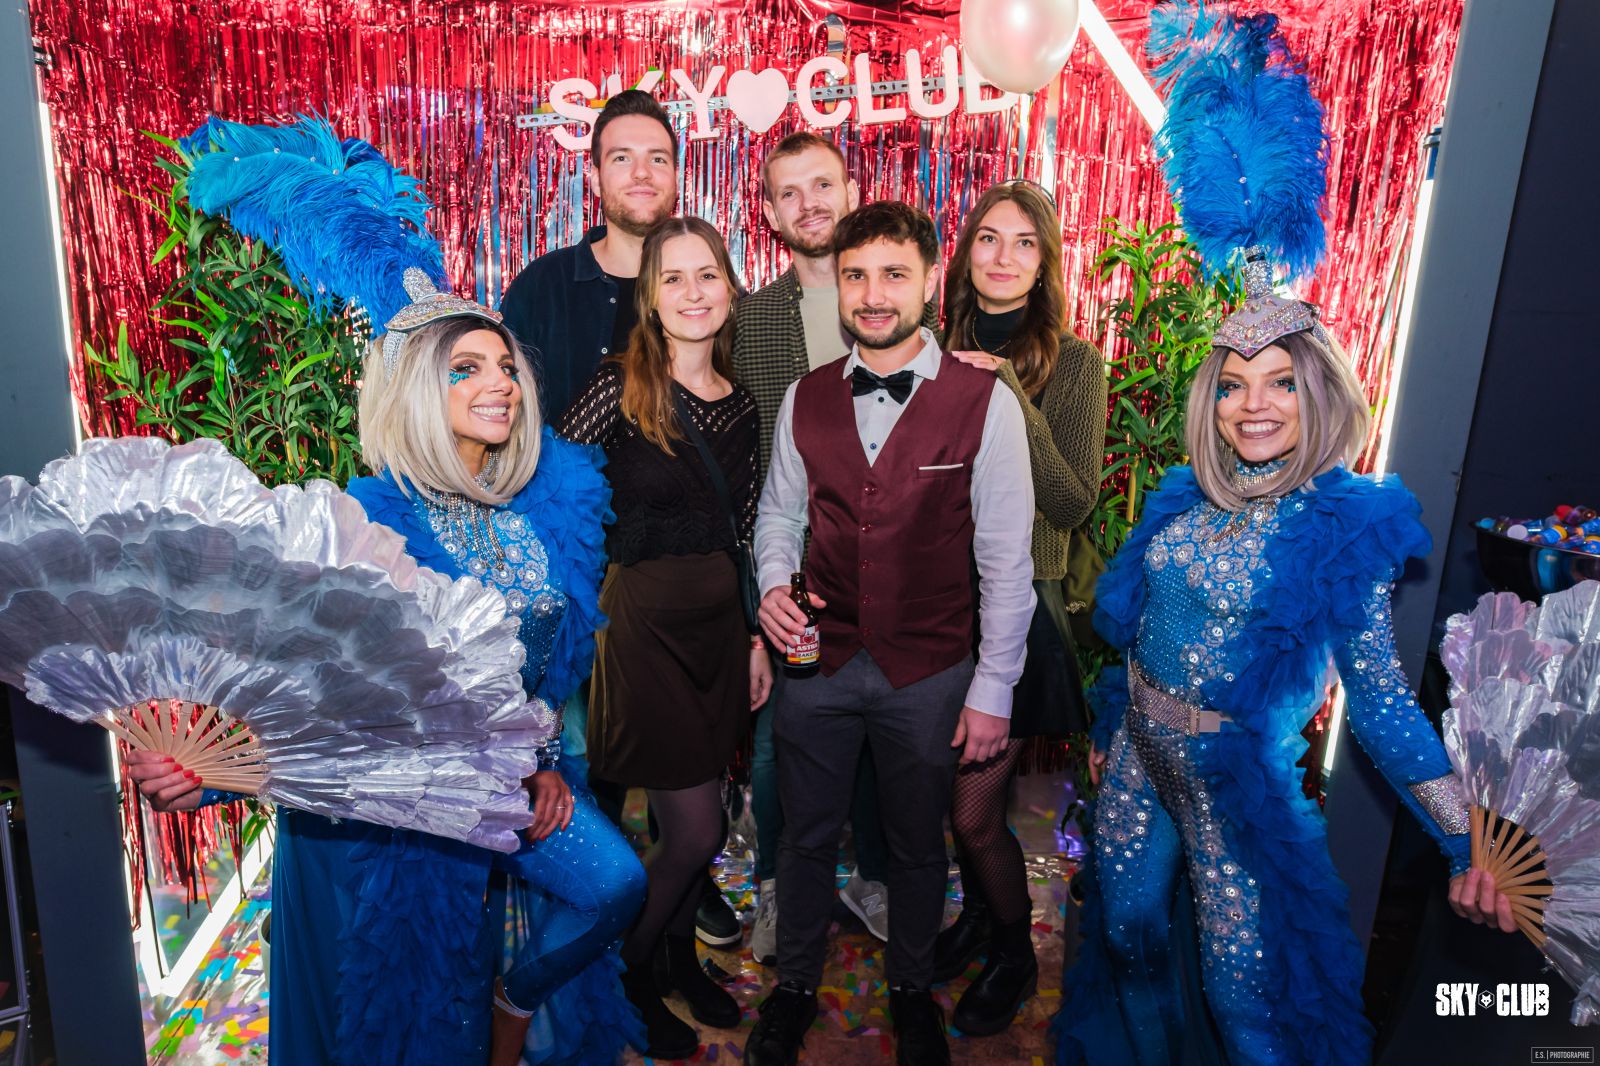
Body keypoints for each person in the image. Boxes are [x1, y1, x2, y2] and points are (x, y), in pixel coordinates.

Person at [126, 274, 648, 1066]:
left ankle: (514, 1002)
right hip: (397, 813)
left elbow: (545, 675)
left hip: (504, 783)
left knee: (615, 885)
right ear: (415, 392)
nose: (501, 384)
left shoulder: (540, 512)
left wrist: (541, 762)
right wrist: (209, 778)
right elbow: (311, 694)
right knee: (416, 1017)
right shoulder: (366, 523)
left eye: (506, 367)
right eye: (466, 369)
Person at [1052, 266, 1515, 1065]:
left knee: (1249, 1006)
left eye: (1282, 383)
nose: (1253, 405)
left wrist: (1465, 842)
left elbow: (1381, 705)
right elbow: (1136, 628)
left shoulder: (1341, 527)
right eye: (1233, 386)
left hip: (1228, 786)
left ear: (1319, 393)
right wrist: (1112, 722)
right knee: (1127, 938)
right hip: (1136, 759)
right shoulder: (1185, 498)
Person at [745, 202, 1035, 1066]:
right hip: (819, 665)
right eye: (857, 275)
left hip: (932, 672)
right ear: (838, 284)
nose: (873, 295)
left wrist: (993, 691)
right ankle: (794, 989)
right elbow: (778, 515)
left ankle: (911, 992)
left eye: (894, 274)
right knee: (803, 837)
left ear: (930, 281)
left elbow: (1006, 563)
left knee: (916, 845)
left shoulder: (986, 403)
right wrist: (772, 585)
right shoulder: (805, 396)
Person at [501, 88, 741, 950]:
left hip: (682, 598)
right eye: (621, 156)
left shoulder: (703, 298)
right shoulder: (542, 290)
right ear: (594, 173)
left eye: (658, 156)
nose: (641, 172)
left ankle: (678, 905)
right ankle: (598, 956)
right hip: (572, 594)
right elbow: (512, 438)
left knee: (689, 789)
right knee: (583, 785)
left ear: (679, 173)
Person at [555, 216, 769, 1060]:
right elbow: (557, 494)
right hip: (642, 631)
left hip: (719, 634)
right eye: (672, 278)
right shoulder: (619, 386)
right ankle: (631, 972)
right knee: (695, 831)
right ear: (649, 297)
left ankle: (679, 958)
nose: (692, 292)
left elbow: (743, 530)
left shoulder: (744, 404)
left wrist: (754, 639)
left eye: (706, 274)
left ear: (730, 289)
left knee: (694, 823)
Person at [732, 131, 939, 961]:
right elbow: (750, 467)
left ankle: (876, 879)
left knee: (893, 741)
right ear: (769, 211)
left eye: (822, 184)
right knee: (778, 744)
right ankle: (778, 890)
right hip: (792, 571)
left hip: (899, 576)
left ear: (851, 189)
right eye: (789, 192)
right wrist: (759, 603)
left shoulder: (907, 302)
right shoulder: (750, 320)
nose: (809, 203)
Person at [931, 179, 1107, 1035]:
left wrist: (1005, 393)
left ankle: (1014, 952)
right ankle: (977, 918)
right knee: (958, 801)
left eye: (1024, 243)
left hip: (1017, 605)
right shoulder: (929, 349)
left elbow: (1072, 502)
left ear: (1045, 265)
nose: (1004, 257)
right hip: (936, 604)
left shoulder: (1073, 364)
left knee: (975, 811)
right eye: (988, 239)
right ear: (965, 254)